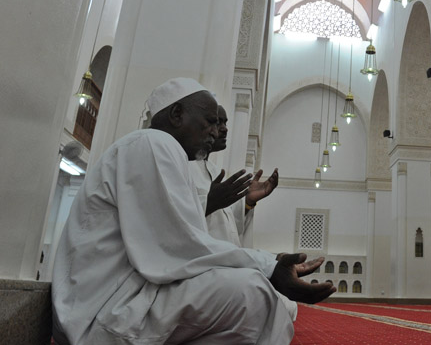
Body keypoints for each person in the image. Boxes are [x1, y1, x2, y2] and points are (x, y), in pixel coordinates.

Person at [52, 78, 334, 344]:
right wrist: (271, 266)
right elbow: (179, 245)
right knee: (253, 292)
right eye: (210, 122)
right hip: (105, 309)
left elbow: (181, 236)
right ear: (176, 114)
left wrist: (268, 261)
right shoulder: (154, 144)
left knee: (259, 294)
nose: (215, 132)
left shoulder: (163, 152)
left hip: (118, 297)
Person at [189, 104, 297, 319]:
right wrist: (209, 202)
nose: (224, 129)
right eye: (217, 122)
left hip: (224, 266)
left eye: (226, 123)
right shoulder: (184, 166)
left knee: (285, 306)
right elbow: (175, 221)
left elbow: (226, 225)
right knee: (268, 303)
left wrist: (247, 202)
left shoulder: (210, 169)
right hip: (200, 269)